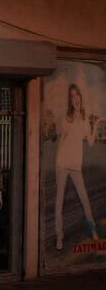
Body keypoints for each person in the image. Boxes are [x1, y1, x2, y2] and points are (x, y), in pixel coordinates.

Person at [54, 83, 100, 250]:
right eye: (72, 97)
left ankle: (93, 230)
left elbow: (91, 142)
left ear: (80, 97)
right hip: (62, 164)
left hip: (76, 166)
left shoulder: (85, 119)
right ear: (70, 101)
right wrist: (57, 165)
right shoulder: (68, 117)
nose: (75, 99)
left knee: (85, 200)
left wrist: (96, 125)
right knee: (59, 202)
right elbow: (62, 141)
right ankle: (59, 237)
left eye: (77, 95)